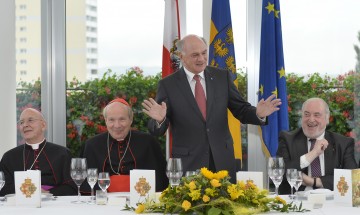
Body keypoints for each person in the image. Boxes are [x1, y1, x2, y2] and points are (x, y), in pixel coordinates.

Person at [142, 34, 281, 182]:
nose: (201, 59)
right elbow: (156, 130)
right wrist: (160, 120)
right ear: (181, 57)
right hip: (189, 164)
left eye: (204, 53)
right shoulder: (168, 85)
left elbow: (241, 109)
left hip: (222, 160)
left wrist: (258, 114)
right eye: (195, 55)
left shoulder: (222, 77)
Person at [82, 98, 168, 192]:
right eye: (111, 120)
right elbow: (87, 186)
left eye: (122, 119)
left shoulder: (148, 142)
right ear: (106, 121)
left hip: (140, 201)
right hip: (103, 201)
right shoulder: (93, 144)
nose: (117, 125)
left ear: (131, 120)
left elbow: (160, 180)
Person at [277, 97, 357, 194]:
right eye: (306, 114)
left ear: (327, 119)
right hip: (297, 202)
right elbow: (279, 173)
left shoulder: (343, 143)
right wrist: (313, 153)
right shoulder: (287, 139)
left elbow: (352, 178)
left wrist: (313, 181)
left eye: (317, 115)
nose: (311, 119)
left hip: (332, 203)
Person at [0, 108, 77, 196]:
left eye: (30, 120)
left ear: (43, 125)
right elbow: (3, 188)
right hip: (20, 205)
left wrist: (47, 194)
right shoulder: (9, 157)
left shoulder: (62, 153)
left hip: (55, 204)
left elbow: (72, 186)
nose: (25, 125)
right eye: (21, 122)